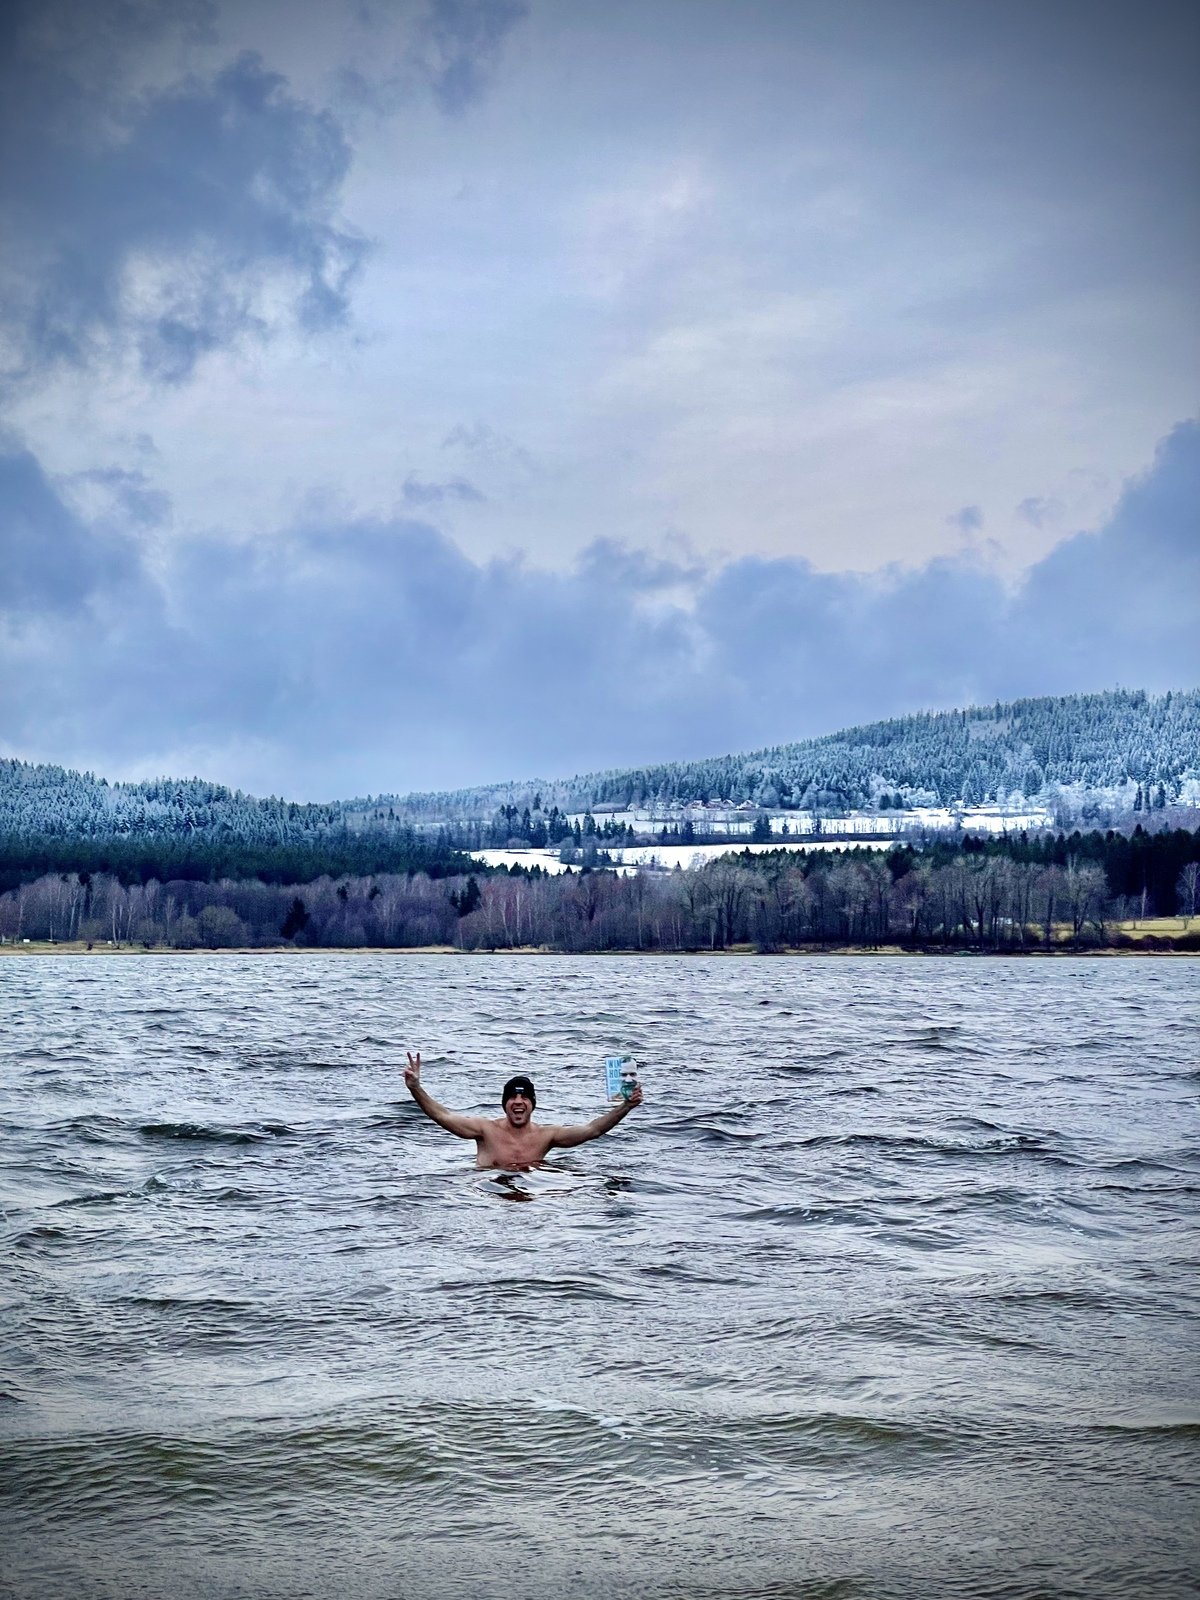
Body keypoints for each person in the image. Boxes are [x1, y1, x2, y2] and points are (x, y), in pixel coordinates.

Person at [403, 1052, 643, 1170]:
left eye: (525, 1097)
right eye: (513, 1097)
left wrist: (625, 1107)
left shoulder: (546, 1136)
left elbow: (592, 1130)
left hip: (534, 1197)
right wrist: (416, 1088)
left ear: (533, 1104)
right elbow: (442, 1115)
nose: (518, 1101)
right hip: (489, 1200)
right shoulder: (485, 1130)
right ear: (504, 1104)